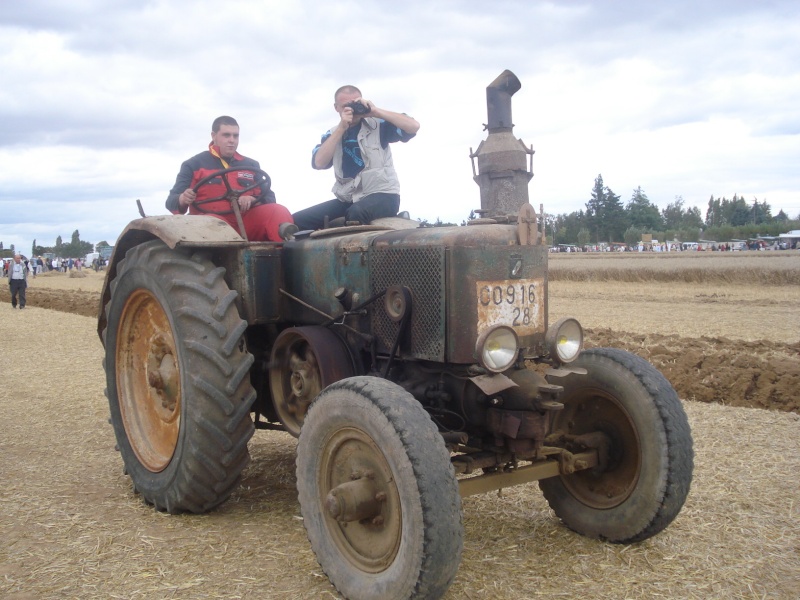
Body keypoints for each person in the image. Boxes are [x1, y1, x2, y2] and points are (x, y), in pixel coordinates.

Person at [292, 85, 419, 231]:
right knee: (297, 220)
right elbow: (319, 163)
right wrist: (341, 128)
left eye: (355, 104)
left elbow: (413, 126)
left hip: (384, 195)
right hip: (348, 199)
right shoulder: (332, 134)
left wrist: (375, 111)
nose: (352, 109)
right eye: (346, 105)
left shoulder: (379, 126)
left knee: (356, 213)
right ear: (336, 108)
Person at [166, 116, 297, 241]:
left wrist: (253, 200)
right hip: (212, 225)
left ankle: (285, 257)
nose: (232, 140)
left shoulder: (251, 165)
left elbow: (269, 197)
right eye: (226, 135)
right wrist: (183, 199)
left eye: (236, 135)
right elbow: (171, 201)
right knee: (212, 223)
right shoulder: (193, 165)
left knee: (278, 210)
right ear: (214, 136)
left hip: (246, 222)